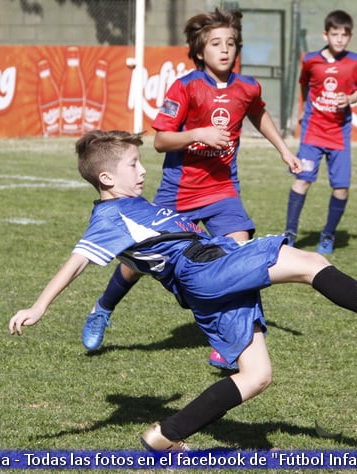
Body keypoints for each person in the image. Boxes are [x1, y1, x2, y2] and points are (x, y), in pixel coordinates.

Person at [9, 130, 357, 451]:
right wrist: (39, 305)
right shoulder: (109, 219)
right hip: (205, 270)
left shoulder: (131, 204)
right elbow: (77, 260)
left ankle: (163, 436)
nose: (142, 171)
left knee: (256, 376)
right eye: (133, 165)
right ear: (107, 178)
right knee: (312, 264)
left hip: (203, 281)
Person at [81, 7, 302, 371]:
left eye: (231, 42)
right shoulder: (185, 87)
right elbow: (161, 141)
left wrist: (284, 150)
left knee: (240, 256)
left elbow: (258, 112)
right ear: (200, 51)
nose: (225, 49)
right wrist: (198, 134)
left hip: (221, 190)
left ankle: (229, 342)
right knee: (138, 264)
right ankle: (102, 308)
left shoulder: (246, 87)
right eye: (216, 43)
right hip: (177, 194)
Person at [284, 10, 357, 254]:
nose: (339, 39)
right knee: (303, 181)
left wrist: (349, 98)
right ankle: (289, 233)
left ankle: (328, 235)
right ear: (326, 34)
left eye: (344, 35)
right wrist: (303, 110)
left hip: (339, 134)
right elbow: (305, 85)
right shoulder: (310, 60)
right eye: (335, 34)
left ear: (350, 36)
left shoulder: (355, 61)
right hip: (313, 132)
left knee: (341, 188)